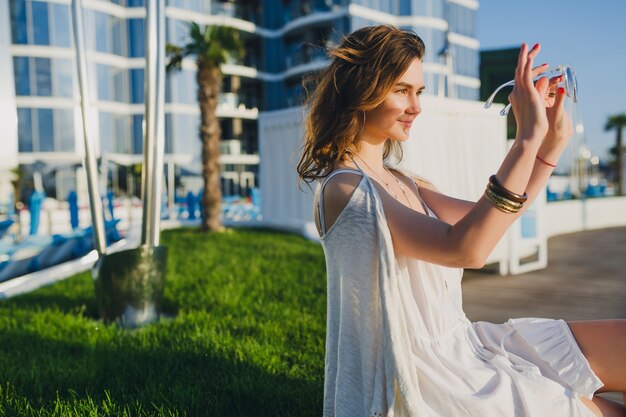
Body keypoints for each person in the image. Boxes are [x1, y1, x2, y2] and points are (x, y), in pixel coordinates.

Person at [296, 25, 626, 417]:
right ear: (360, 88)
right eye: (401, 90)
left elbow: (490, 223)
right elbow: (467, 249)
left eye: (419, 91)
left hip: (469, 343)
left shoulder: (403, 181)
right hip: (438, 373)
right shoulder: (344, 189)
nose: (416, 106)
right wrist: (524, 139)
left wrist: (546, 150)